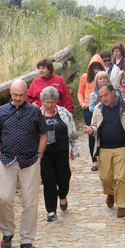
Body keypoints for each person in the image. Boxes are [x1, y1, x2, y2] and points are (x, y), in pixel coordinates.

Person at [0, 79, 48, 248]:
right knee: (4, 199)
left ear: (26, 93)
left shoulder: (34, 111)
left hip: (30, 161)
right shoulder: (1, 112)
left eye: (21, 95)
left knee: (29, 202)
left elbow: (43, 133)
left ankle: (27, 240)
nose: (18, 98)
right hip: (6, 160)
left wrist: (39, 154)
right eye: (15, 94)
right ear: (10, 93)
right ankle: (7, 233)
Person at [83, 83, 125, 218]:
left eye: (106, 95)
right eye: (101, 96)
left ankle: (121, 205)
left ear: (113, 92)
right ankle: (110, 192)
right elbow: (95, 127)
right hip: (104, 148)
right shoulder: (98, 108)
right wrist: (91, 131)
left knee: (120, 178)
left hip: (122, 147)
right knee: (105, 178)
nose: (104, 98)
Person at [39, 86, 79, 221]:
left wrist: (74, 150)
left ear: (56, 101)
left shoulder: (64, 113)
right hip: (45, 153)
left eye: (52, 102)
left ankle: (62, 195)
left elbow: (72, 132)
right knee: (48, 180)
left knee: (64, 177)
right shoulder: (37, 114)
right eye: (46, 102)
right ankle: (51, 210)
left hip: (62, 151)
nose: (49, 105)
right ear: (42, 101)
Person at [78, 54, 105, 171]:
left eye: (98, 67)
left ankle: (102, 158)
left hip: (102, 107)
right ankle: (94, 160)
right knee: (91, 134)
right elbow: (80, 92)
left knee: (103, 133)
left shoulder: (103, 78)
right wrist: (82, 103)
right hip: (88, 109)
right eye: (94, 67)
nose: (96, 70)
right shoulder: (85, 77)